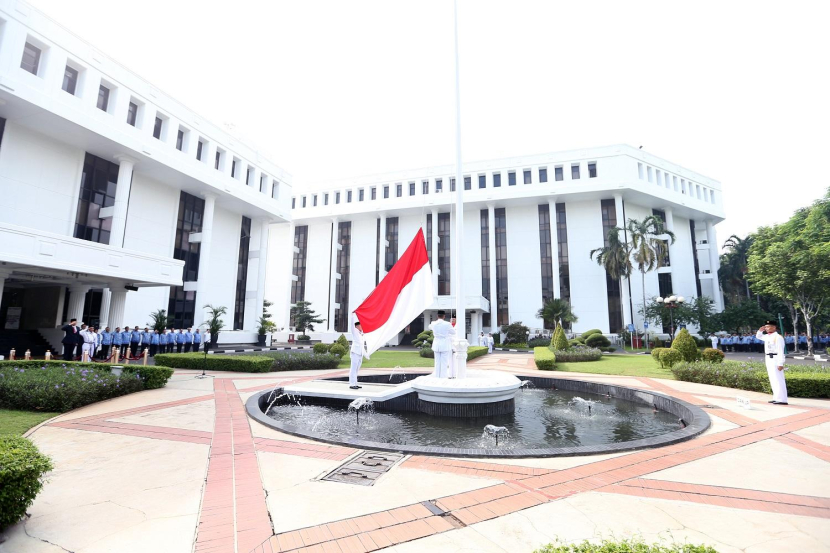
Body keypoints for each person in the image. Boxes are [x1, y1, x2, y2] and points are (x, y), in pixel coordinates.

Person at [756, 320, 788, 405]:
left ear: (774, 327)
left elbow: (781, 351)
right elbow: (758, 336)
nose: (766, 328)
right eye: (766, 327)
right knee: (772, 379)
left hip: (775, 358)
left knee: (778, 379)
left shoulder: (778, 337)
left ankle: (782, 399)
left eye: (768, 326)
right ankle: (776, 397)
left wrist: (780, 363)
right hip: (768, 358)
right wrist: (760, 330)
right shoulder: (767, 336)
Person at [429, 311, 455, 378]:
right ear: (444, 316)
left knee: (437, 362)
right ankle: (443, 377)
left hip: (436, 343)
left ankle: (437, 377)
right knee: (444, 362)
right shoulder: (447, 324)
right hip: (444, 343)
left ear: (437, 316)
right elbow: (453, 332)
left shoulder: (433, 323)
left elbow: (430, 327)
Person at [349, 321, 370, 389]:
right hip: (355, 353)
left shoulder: (361, 334)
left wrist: (366, 355)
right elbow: (352, 325)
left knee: (357, 370)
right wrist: (352, 316)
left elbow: (362, 346)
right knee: (353, 369)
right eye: (360, 325)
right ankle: (352, 384)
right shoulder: (355, 332)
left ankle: (355, 383)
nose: (362, 327)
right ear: (357, 326)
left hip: (360, 354)